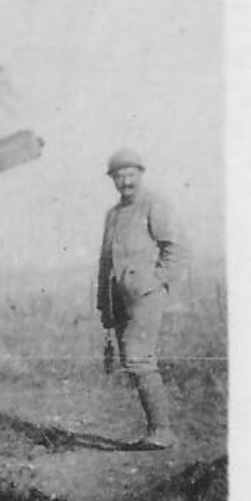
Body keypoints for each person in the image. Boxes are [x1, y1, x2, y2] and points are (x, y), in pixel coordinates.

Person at [97, 148, 187, 449]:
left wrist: (155, 281)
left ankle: (162, 431)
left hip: (146, 298)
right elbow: (105, 262)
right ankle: (157, 429)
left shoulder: (154, 204)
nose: (125, 181)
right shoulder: (113, 214)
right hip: (119, 298)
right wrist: (104, 304)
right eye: (119, 176)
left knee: (138, 358)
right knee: (132, 359)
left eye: (130, 175)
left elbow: (174, 249)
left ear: (140, 174)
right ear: (113, 180)